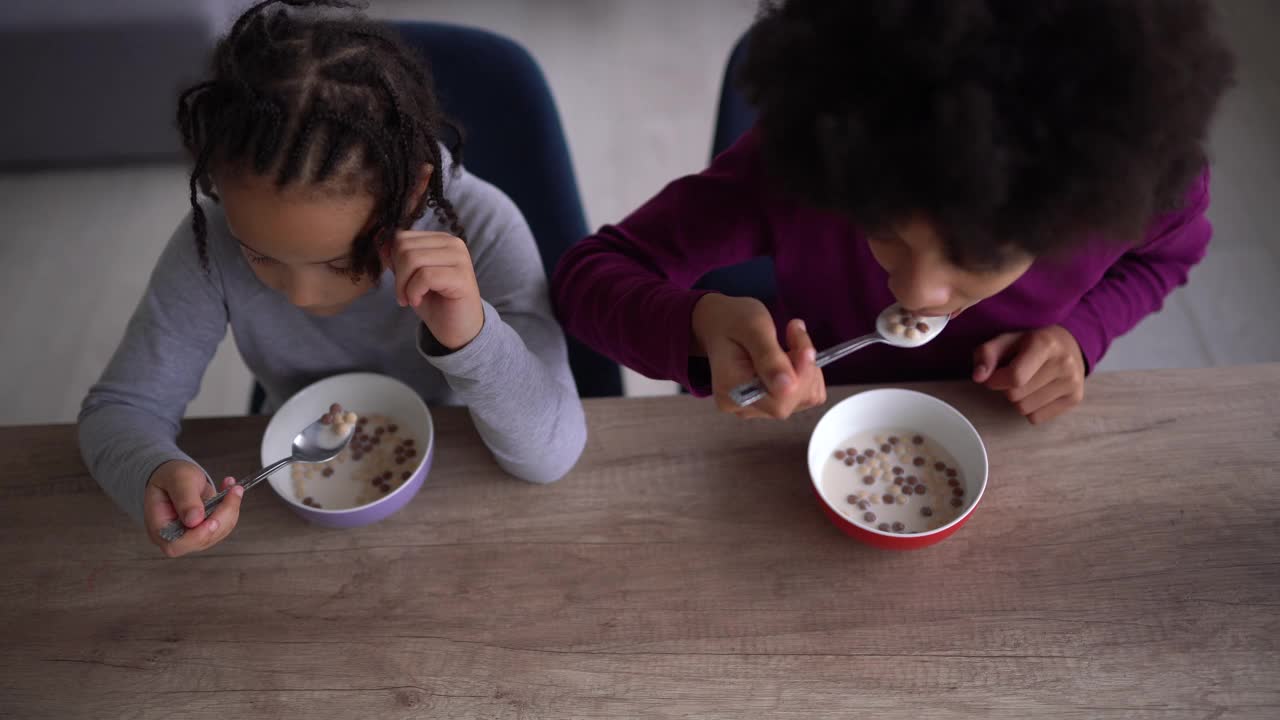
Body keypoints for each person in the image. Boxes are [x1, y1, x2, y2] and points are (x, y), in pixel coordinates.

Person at [552, 0, 1234, 423]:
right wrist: (697, 323)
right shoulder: (800, 172)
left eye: (977, 255)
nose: (914, 292)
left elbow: (1168, 257)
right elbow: (586, 278)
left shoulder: (1131, 188)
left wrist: (1080, 336)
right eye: (882, 231)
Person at [80, 0, 586, 558]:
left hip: (465, 499)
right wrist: (154, 468)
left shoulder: (482, 228)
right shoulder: (216, 237)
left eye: (336, 262)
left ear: (412, 196)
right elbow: (122, 411)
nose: (300, 296)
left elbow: (552, 456)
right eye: (260, 256)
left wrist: (471, 338)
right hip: (298, 532)